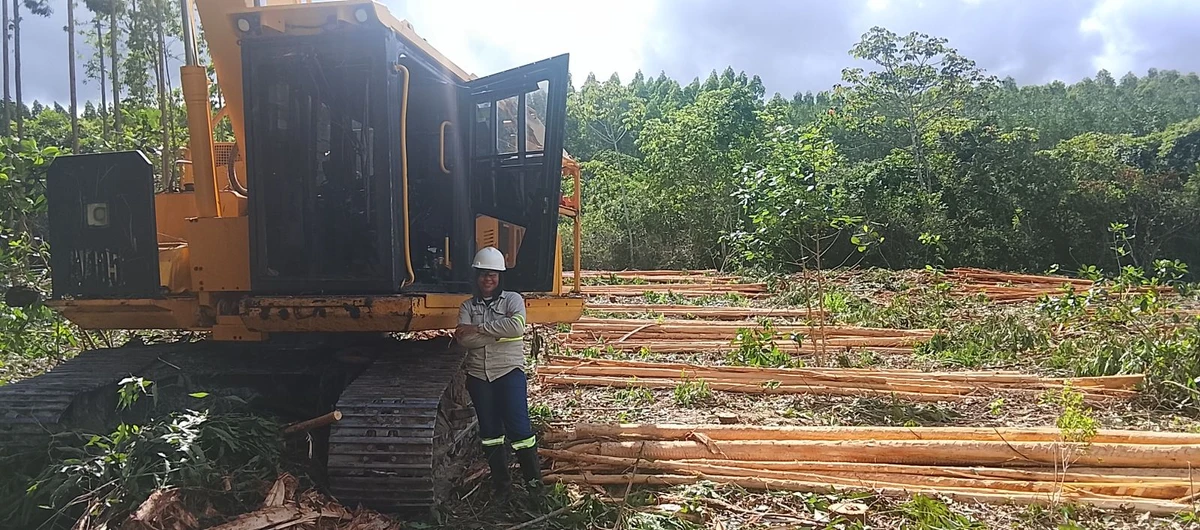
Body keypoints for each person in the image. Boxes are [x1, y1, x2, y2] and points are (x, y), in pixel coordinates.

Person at [454, 247, 542, 496]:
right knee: (490, 434)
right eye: (483, 274)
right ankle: (502, 488)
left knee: (521, 432)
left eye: (492, 274)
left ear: (500, 276)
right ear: (477, 277)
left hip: (508, 373)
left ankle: (534, 489)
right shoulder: (467, 305)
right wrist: (496, 334)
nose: (487, 279)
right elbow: (463, 340)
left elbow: (516, 327)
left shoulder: (513, 299)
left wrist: (479, 328)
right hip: (479, 378)